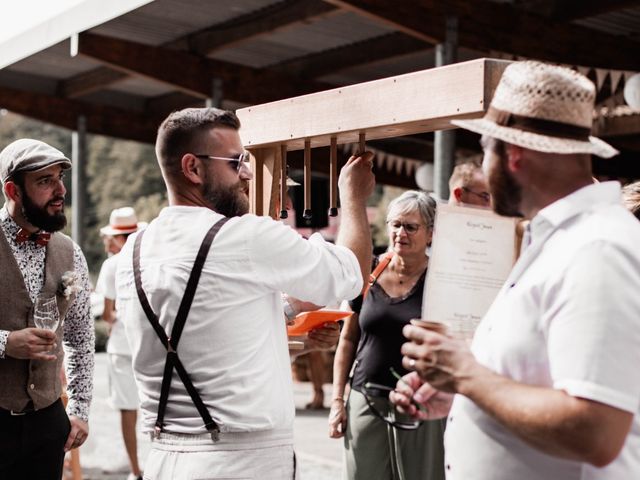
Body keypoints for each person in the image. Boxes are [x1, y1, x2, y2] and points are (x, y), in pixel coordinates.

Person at [391, 61, 640, 480]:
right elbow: (539, 379)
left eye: (485, 148)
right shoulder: (559, 239)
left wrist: (466, 375)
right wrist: (463, 396)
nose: (484, 163)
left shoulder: (596, 247)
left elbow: (595, 431)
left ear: (515, 155)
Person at [115, 107, 374, 480]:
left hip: (164, 459)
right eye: (236, 162)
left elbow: (202, 326)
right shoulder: (245, 237)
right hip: (240, 462)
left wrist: (284, 311)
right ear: (193, 168)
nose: (247, 173)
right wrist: (353, 196)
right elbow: (352, 273)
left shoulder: (134, 251)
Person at [329, 190, 444, 480]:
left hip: (419, 403)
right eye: (395, 224)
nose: (400, 233)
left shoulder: (441, 281)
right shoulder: (369, 271)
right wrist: (337, 400)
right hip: (364, 397)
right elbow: (349, 340)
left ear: (430, 234)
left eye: (410, 226)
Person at [0, 139, 94, 478]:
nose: (60, 190)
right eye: (45, 181)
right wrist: (5, 343)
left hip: (47, 423)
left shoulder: (70, 252)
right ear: (13, 190)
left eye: (60, 178)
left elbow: (82, 335)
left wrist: (80, 409)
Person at [96, 207, 145, 480]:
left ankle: (135, 470)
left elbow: (106, 314)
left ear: (117, 237)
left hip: (122, 346)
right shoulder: (147, 257)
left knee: (128, 411)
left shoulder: (111, 265)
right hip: (150, 344)